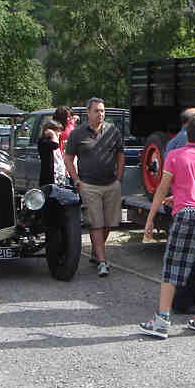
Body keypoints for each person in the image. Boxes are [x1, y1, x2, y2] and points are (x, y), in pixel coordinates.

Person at [139, 112, 195, 339]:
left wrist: (151, 217)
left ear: (187, 131)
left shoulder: (175, 155)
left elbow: (162, 187)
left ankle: (162, 321)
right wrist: (180, 195)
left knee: (173, 268)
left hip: (185, 214)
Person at [64, 97, 124, 278]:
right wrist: (76, 180)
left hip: (111, 184)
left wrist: (119, 178)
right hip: (88, 185)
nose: (101, 114)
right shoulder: (78, 134)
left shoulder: (112, 131)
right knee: (96, 223)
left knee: (107, 224)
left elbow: (120, 153)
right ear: (88, 112)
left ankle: (96, 253)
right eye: (97, 111)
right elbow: (68, 158)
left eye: (103, 111)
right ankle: (102, 261)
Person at [165, 108, 195, 315]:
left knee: (181, 258)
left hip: (180, 207)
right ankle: (192, 301)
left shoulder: (172, 144)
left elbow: (168, 177)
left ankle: (182, 300)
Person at [38, 120, 66, 186]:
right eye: (58, 131)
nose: (59, 134)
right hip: (49, 177)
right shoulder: (44, 141)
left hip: (59, 176)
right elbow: (55, 145)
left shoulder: (56, 141)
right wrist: (53, 135)